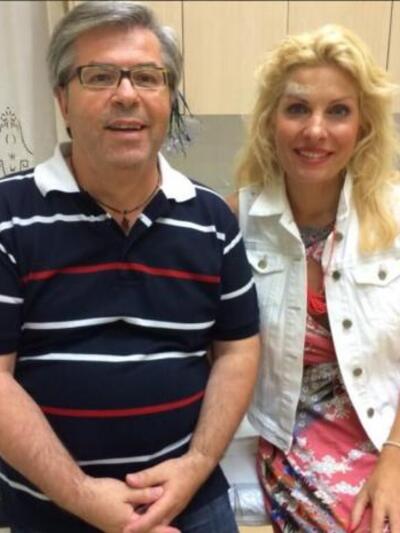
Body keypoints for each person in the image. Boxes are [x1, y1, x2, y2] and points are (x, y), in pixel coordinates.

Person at [0, 2, 260, 532]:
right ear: (62, 99)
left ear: (169, 97)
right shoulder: (8, 214)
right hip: (50, 506)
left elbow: (237, 351)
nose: (126, 94)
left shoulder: (212, 219)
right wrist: (83, 496)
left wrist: (196, 465)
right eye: (99, 76)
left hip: (189, 500)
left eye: (147, 76)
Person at [230, 24, 400, 532]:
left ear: (363, 126)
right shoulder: (235, 221)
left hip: (389, 424)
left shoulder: (394, 216)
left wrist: (394, 458)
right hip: (297, 432)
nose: (316, 131)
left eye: (338, 111)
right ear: (270, 121)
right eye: (298, 109)